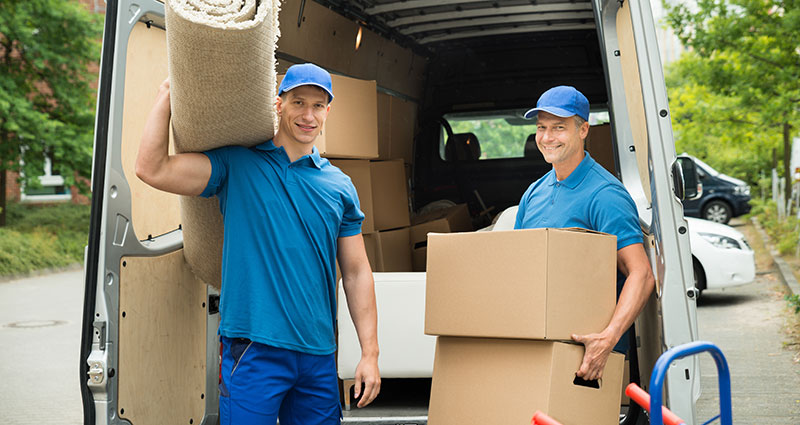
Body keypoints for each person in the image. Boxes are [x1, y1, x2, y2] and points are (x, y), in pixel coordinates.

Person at [136, 63, 380, 424]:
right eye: (298, 102)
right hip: (253, 350)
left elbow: (357, 273)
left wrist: (369, 354)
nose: (308, 115)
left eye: (317, 105)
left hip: (318, 355)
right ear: (278, 104)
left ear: (328, 111)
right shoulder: (239, 165)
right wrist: (168, 95)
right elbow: (151, 168)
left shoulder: (340, 186)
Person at [514, 85, 655, 381]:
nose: (547, 137)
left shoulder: (605, 195)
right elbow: (520, 266)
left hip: (586, 354)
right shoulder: (534, 192)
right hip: (538, 343)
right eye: (541, 127)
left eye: (559, 128)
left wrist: (607, 340)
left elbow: (641, 274)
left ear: (583, 130)